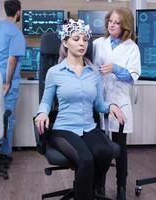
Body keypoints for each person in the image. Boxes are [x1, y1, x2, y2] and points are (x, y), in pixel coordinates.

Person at [35, 19, 126, 200]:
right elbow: (46, 101)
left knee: (106, 152)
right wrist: (42, 112)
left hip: (89, 127)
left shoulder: (94, 73)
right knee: (86, 159)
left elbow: (99, 104)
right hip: (64, 128)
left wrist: (112, 106)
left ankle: (88, 190)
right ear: (65, 42)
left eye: (85, 39)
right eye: (76, 39)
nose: (82, 43)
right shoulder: (55, 72)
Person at [93, 7, 141, 200]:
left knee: (120, 150)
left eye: (117, 22)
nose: (112, 24)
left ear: (125, 26)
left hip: (120, 103)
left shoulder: (132, 47)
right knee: (100, 148)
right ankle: (100, 186)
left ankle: (121, 188)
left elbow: (133, 76)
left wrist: (115, 68)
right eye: (110, 21)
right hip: (99, 102)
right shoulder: (97, 43)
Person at [0, 0, 26, 163]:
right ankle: (3, 154)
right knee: (6, 116)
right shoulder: (16, 34)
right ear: (18, 12)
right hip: (4, 78)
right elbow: (11, 60)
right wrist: (7, 82)